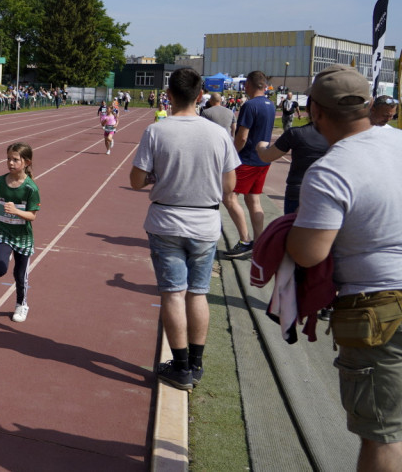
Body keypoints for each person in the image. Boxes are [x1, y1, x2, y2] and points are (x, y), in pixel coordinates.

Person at [286, 64, 402, 471]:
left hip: (380, 306)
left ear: (315, 112)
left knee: (382, 435)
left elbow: (309, 253)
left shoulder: (331, 169)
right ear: (370, 105)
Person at [129, 68, 239, 391]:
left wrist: (157, 178)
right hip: (205, 223)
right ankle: (196, 363)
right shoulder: (218, 133)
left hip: (166, 222)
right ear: (200, 95)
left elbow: (136, 180)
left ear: (169, 95)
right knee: (198, 292)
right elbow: (230, 184)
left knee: (173, 293)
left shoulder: (157, 131)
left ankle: (179, 367)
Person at [0, 142, 41, 323]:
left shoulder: (30, 188)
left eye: (15, 159)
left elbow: (32, 216)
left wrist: (17, 212)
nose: (10, 163)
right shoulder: (0, 181)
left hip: (23, 237)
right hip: (4, 233)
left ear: (26, 162)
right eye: (8, 159)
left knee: (20, 275)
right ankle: (3, 255)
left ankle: (21, 304)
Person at [225, 71, 277, 259]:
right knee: (253, 200)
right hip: (263, 159)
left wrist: (231, 155)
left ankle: (244, 240)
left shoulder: (249, 106)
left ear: (248, 85)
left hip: (247, 159)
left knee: (229, 197)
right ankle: (259, 242)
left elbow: (242, 136)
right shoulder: (271, 105)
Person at [256, 112, 329, 215]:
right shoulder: (343, 137)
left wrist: (260, 146)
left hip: (298, 192)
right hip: (329, 194)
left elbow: (267, 157)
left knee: (293, 228)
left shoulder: (296, 133)